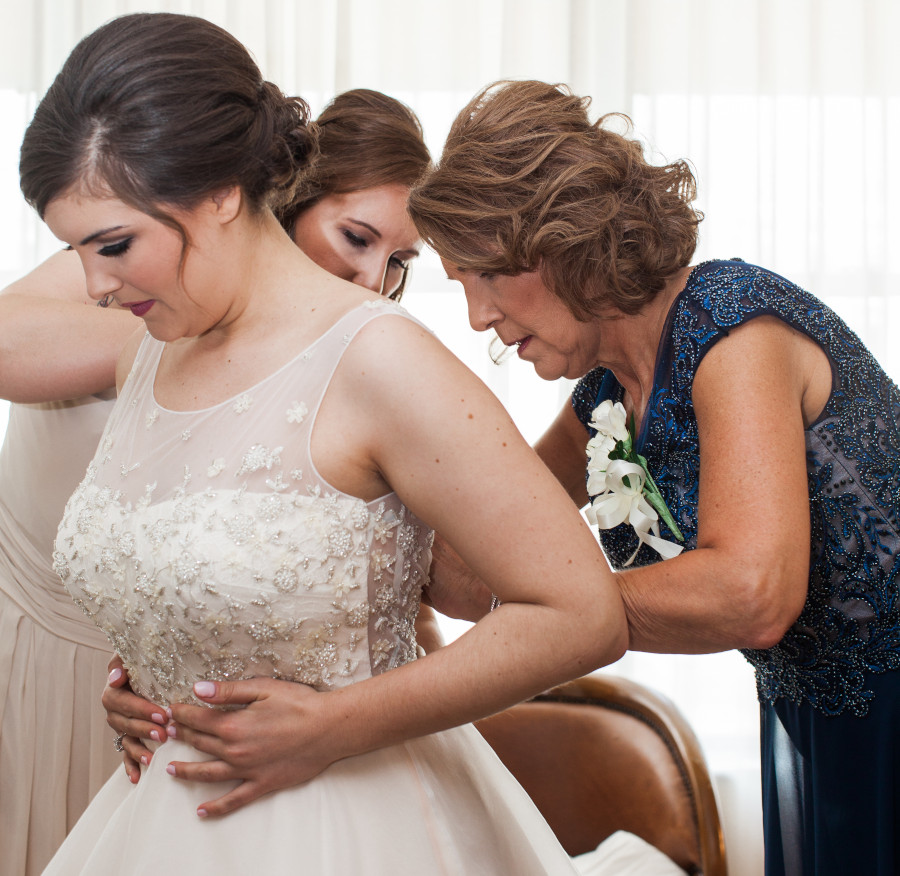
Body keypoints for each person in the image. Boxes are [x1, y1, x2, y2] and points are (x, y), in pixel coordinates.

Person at [22, 15, 627, 874]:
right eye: (76, 251)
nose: (93, 284)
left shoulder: (380, 360)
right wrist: (151, 678)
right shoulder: (145, 353)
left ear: (220, 193)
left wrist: (332, 726)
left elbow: (579, 613)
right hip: (158, 820)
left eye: (114, 245)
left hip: (345, 829)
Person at [406, 79, 900, 876]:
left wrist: (556, 611)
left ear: (563, 243)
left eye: (485, 275)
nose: (476, 319)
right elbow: (473, 562)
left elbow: (752, 593)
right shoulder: (602, 395)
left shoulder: (731, 327)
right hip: (816, 724)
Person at [0, 80, 432, 876]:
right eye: (356, 236)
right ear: (286, 202)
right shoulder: (140, 282)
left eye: (400, 259)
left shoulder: (379, 364)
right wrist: (152, 348)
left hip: (215, 723)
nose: (373, 278)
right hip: (53, 652)